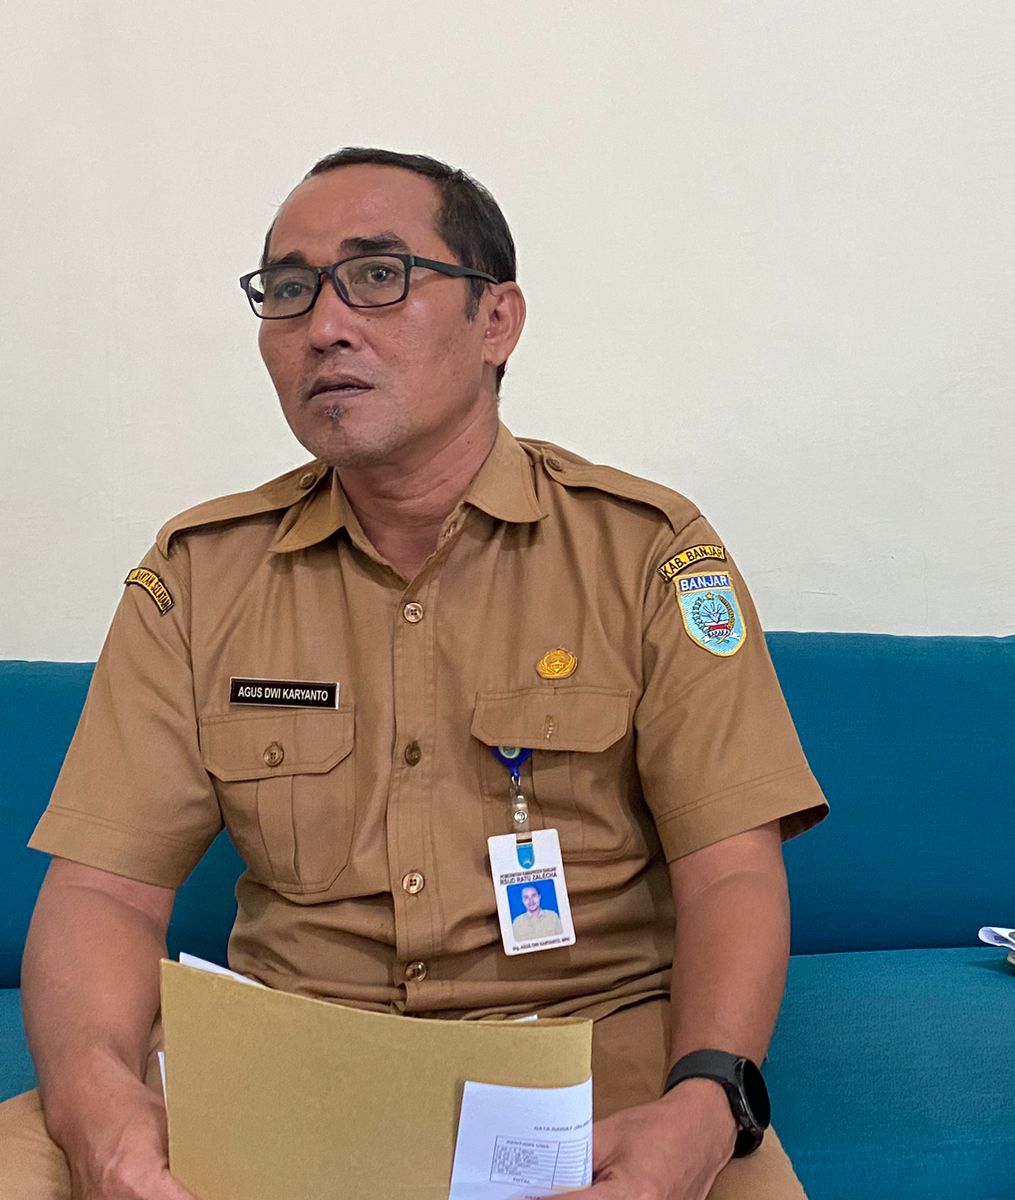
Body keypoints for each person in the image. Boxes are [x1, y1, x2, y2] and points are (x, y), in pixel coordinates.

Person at [3, 147, 828, 1200]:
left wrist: (706, 1105)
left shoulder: (647, 553)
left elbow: (730, 872)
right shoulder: (200, 576)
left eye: (378, 275)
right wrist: (94, 1107)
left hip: (585, 1077)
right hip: (285, 1064)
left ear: (497, 321)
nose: (324, 325)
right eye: (289, 289)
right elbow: (103, 893)